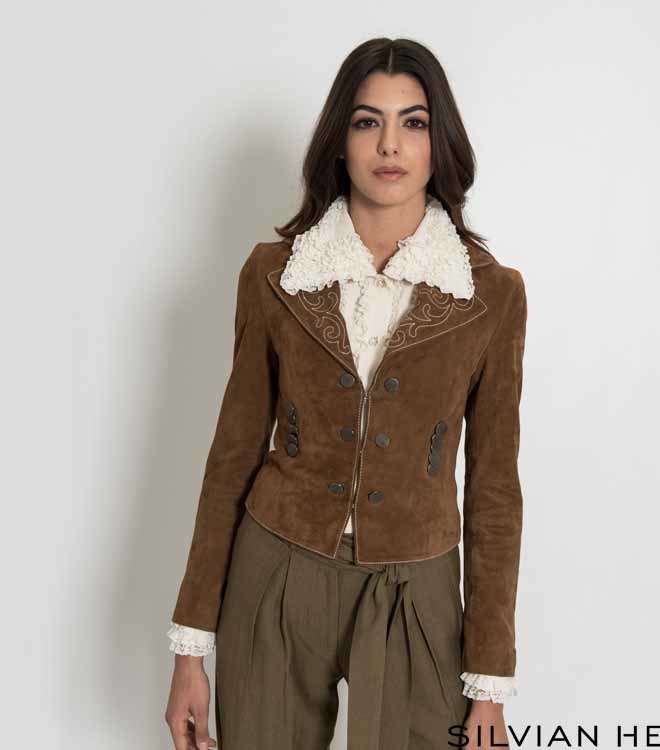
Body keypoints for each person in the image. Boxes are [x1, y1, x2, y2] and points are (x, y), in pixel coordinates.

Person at [164, 37, 527, 750]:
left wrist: (489, 683)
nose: (390, 144)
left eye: (414, 122)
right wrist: (190, 649)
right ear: (340, 139)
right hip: (275, 575)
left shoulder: (491, 295)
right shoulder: (274, 275)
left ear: (440, 143)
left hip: (415, 591)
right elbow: (231, 459)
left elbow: (494, 494)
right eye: (367, 122)